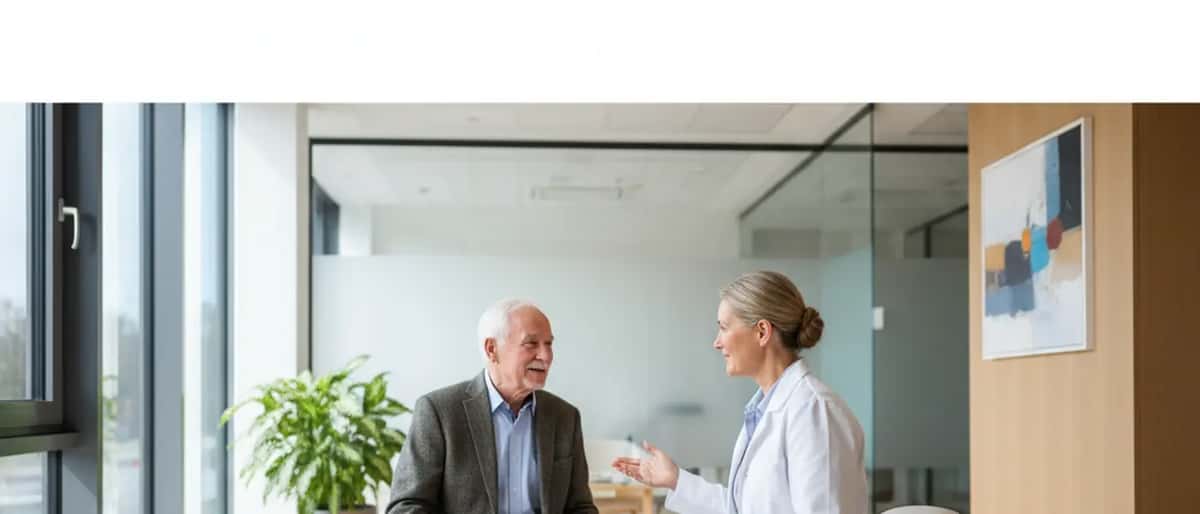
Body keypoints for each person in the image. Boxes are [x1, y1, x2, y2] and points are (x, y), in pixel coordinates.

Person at [612, 271, 867, 514]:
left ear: (762, 332)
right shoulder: (763, 411)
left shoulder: (814, 412)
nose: (717, 342)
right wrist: (676, 480)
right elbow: (741, 507)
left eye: (724, 327)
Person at [388, 299, 598, 514]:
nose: (545, 356)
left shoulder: (565, 417)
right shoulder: (439, 412)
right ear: (492, 349)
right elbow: (406, 507)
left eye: (549, 344)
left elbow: (579, 507)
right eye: (531, 343)